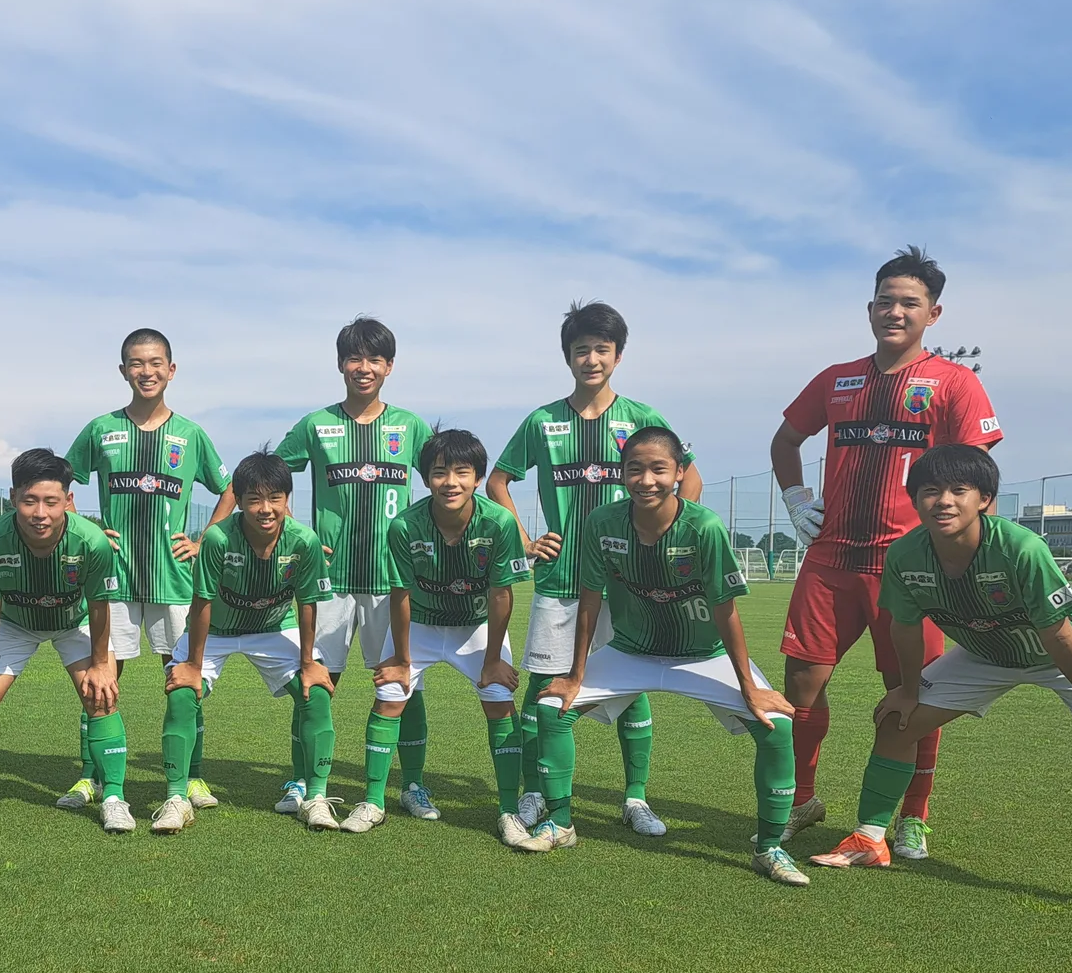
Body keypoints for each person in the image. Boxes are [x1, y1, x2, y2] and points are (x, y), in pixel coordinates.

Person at [808, 446, 1072, 935]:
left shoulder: (1020, 548)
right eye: (930, 491)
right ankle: (869, 839)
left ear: (984, 500)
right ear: (914, 500)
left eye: (959, 490)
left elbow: (1059, 634)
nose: (944, 501)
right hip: (986, 653)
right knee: (897, 722)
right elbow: (905, 625)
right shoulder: (904, 554)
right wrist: (906, 689)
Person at [769, 248, 1001, 858]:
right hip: (830, 560)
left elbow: (976, 472)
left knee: (915, 695)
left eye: (909, 303)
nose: (895, 312)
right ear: (869, 308)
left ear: (933, 314)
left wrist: (967, 553)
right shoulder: (836, 379)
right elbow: (786, 440)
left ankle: (912, 815)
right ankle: (802, 801)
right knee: (802, 686)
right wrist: (796, 499)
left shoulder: (954, 382)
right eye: (885, 301)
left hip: (910, 569)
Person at [528, 428, 806, 885]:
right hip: (631, 651)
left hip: (701, 654)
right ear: (622, 474)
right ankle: (560, 824)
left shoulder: (704, 527)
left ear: (679, 472)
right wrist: (575, 674)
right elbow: (590, 599)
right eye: (634, 469)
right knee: (552, 708)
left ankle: (769, 847)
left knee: (777, 725)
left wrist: (749, 686)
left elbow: (726, 611)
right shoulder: (602, 522)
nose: (646, 479)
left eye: (658, 469)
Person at [488, 300, 700, 840]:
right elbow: (498, 481)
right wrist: (526, 540)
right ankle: (537, 791)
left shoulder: (642, 418)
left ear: (618, 355)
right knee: (544, 687)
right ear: (568, 356)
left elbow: (688, 477)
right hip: (561, 579)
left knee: (631, 684)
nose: (591, 359)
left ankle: (635, 797)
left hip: (629, 583)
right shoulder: (542, 421)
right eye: (581, 349)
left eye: (602, 349)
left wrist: (668, 540)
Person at [61, 328, 235, 813]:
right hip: (113, 579)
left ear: (171, 370)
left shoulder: (190, 435)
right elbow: (60, 480)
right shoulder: (102, 429)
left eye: (156, 363)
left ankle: (191, 777)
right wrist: (84, 527)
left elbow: (231, 487)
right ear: (123, 371)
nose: (147, 371)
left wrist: (205, 538)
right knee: (100, 677)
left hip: (173, 580)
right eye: (136, 363)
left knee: (184, 679)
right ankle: (92, 775)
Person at [342, 428, 532, 845]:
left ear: (478, 478)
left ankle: (508, 810)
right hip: (422, 625)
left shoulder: (499, 522)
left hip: (475, 626)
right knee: (390, 696)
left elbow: (501, 595)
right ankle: (374, 802)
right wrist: (401, 660)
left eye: (462, 472)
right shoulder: (404, 525)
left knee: (499, 700)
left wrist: (493, 660)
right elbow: (402, 595)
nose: (451, 482)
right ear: (426, 477)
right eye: (439, 472)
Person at [277, 318, 435, 817]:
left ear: (389, 366)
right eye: (354, 358)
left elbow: (446, 482)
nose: (363, 367)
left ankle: (412, 784)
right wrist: (292, 533)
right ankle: (303, 781)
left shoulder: (410, 427)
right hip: (329, 582)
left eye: (374, 359)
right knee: (315, 683)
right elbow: (271, 477)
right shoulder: (315, 426)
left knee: (403, 683)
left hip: (394, 582)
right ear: (341, 364)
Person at [0, 450, 127, 835]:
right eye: (29, 501)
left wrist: (101, 665)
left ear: (68, 500)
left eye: (51, 502)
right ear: (13, 496)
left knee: (101, 696)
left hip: (74, 622)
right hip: (15, 623)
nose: (40, 513)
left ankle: (115, 798)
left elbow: (99, 607)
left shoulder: (91, 542)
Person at [152, 451, 337, 834]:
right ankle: (176, 798)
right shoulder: (218, 538)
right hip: (216, 631)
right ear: (238, 500)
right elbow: (202, 602)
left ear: (287, 499)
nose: (265, 509)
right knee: (182, 692)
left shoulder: (303, 541)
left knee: (316, 692)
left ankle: (315, 798)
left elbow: (307, 604)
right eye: (254, 499)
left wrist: (308, 663)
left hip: (274, 627)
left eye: (274, 498)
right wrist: (192, 665)